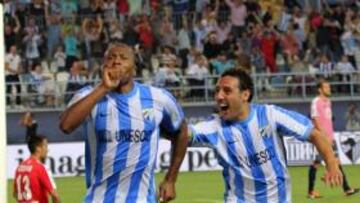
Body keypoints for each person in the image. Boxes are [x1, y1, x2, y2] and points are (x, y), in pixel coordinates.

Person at [186, 68, 343, 202]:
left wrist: (331, 162)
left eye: (227, 91)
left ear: (245, 95)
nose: (219, 96)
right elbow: (183, 134)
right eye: (217, 91)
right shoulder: (214, 127)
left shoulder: (270, 115)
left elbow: (314, 134)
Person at [59, 43, 188, 203]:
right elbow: (65, 125)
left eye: (123, 58)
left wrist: (170, 179)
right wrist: (103, 88)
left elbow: (182, 130)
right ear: (104, 66)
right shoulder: (88, 95)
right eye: (111, 58)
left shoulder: (157, 98)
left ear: (133, 67)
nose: (116, 62)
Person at [308, 79, 359, 198]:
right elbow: (315, 119)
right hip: (321, 139)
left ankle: (347, 189)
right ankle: (311, 192)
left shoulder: (328, 102)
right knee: (316, 163)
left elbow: (328, 121)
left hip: (330, 138)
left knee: (336, 162)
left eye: (329, 87)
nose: (328, 89)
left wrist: (330, 136)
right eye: (326, 87)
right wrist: (324, 136)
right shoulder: (316, 101)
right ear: (320, 89)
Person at [13, 135, 61, 203]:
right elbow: (55, 195)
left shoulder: (20, 167)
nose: (47, 150)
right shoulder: (39, 167)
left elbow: (15, 193)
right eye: (45, 146)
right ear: (38, 148)